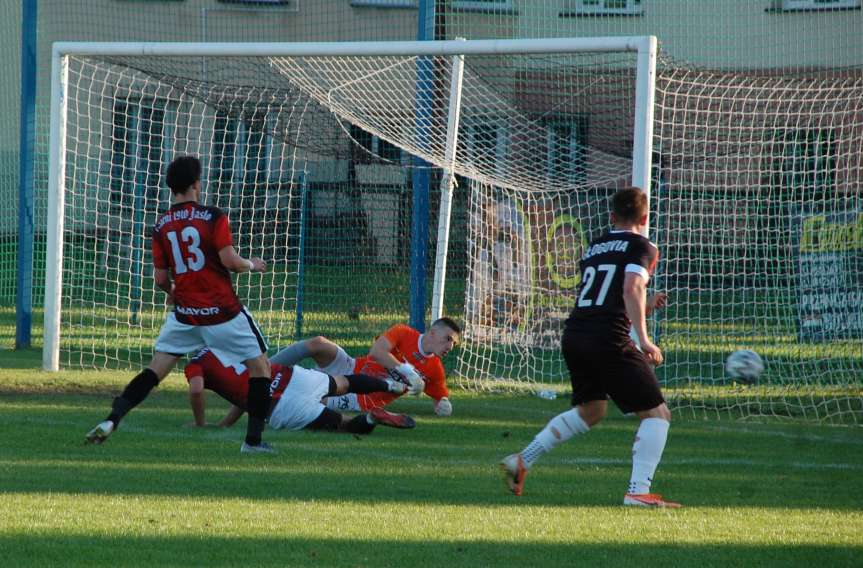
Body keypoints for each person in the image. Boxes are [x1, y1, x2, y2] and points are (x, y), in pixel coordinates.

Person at [501, 187, 680, 508]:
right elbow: (631, 286)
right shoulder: (644, 246)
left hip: (577, 334)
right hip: (608, 338)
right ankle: (638, 491)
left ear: (612, 217)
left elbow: (607, 294)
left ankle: (523, 459)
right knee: (658, 414)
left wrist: (644, 307)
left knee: (591, 411)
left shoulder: (596, 246)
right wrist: (643, 339)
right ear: (645, 218)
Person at [85, 155, 275, 453]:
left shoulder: (161, 225)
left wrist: (173, 291)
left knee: (155, 370)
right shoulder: (213, 217)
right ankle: (253, 442)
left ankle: (112, 419)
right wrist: (252, 264)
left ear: (172, 187)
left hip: (185, 314)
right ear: (197, 184)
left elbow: (160, 278)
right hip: (222, 312)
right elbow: (230, 262)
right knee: (260, 367)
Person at [184, 348, 416, 433]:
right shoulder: (229, 343)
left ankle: (371, 418)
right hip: (293, 377)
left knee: (344, 424)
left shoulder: (195, 364)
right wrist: (226, 424)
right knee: (344, 382)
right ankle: (390, 385)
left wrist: (201, 423)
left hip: (281, 407)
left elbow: (196, 390)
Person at [271, 317, 461, 417]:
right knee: (318, 343)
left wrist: (443, 404)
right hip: (350, 368)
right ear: (433, 332)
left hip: (360, 400)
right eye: (448, 339)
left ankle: (267, 402)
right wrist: (407, 370)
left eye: (453, 344)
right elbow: (376, 352)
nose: (450, 347)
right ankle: (264, 370)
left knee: (312, 399)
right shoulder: (404, 333)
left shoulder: (435, 369)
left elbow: (439, 396)